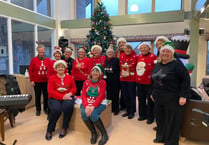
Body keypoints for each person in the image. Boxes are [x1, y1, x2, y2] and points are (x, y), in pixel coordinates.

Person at [151, 43, 190, 145]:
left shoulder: (177, 65)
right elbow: (154, 80)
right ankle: (161, 137)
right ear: (160, 53)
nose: (165, 53)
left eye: (168, 52)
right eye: (163, 51)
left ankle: (170, 141)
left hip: (172, 97)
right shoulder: (158, 64)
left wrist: (183, 95)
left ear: (172, 54)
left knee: (171, 120)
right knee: (160, 119)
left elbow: (185, 80)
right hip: (158, 97)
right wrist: (152, 93)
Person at [45, 60, 76, 140]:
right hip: (54, 97)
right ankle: (50, 130)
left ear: (65, 68)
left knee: (68, 108)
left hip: (68, 96)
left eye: (62, 67)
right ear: (56, 68)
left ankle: (64, 128)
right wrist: (62, 97)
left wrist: (69, 94)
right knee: (56, 109)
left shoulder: (69, 77)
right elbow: (50, 91)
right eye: (58, 67)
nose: (60, 68)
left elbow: (74, 88)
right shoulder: (52, 78)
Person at [80, 65, 109, 145]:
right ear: (91, 73)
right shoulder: (86, 82)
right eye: (93, 71)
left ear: (100, 74)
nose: (95, 73)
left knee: (93, 114)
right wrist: (86, 106)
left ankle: (104, 134)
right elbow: (83, 95)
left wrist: (93, 106)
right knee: (84, 113)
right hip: (87, 102)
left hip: (99, 102)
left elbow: (101, 96)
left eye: (97, 71)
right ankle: (93, 133)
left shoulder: (103, 82)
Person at [136, 42, 157, 124]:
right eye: (142, 48)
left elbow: (156, 69)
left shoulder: (153, 57)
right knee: (141, 99)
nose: (143, 49)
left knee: (150, 100)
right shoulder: (139, 57)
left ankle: (150, 117)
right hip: (139, 81)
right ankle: (142, 115)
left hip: (149, 82)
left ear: (149, 48)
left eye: (145, 47)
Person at [29, 44, 51, 116]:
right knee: (37, 96)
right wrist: (32, 80)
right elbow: (31, 70)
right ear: (37, 51)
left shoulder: (48, 60)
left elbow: (50, 70)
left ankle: (46, 108)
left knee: (46, 95)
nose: (41, 53)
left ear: (45, 51)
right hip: (37, 81)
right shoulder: (34, 60)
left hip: (46, 81)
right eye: (40, 52)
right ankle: (38, 109)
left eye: (42, 52)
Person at [119, 43, 137, 119]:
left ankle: (132, 111)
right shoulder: (121, 56)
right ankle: (127, 110)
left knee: (131, 95)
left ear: (131, 49)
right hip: (123, 78)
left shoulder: (135, 56)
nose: (127, 50)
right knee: (125, 95)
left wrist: (127, 67)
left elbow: (134, 66)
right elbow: (120, 66)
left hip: (131, 79)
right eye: (125, 48)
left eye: (128, 48)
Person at [105, 47, 120, 115]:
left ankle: (116, 109)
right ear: (106, 54)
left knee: (115, 95)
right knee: (109, 95)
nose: (109, 53)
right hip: (107, 81)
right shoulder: (105, 60)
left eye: (111, 52)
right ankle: (110, 108)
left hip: (115, 80)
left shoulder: (117, 60)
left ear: (113, 53)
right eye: (108, 52)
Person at [116, 37, 127, 111]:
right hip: (117, 74)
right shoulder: (117, 52)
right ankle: (119, 104)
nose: (121, 44)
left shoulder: (128, 51)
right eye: (120, 43)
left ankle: (124, 105)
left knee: (124, 91)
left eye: (123, 42)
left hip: (126, 74)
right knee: (118, 90)